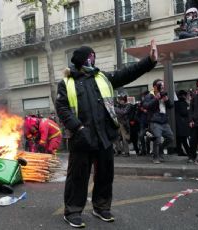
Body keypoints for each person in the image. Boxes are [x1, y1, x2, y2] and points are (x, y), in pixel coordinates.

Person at [56, 40, 158, 228]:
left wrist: (149, 61)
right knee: (78, 177)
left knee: (105, 175)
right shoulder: (66, 83)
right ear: (81, 59)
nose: (93, 60)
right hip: (82, 137)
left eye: (93, 57)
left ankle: (101, 206)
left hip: (104, 136)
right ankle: (72, 211)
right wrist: (78, 128)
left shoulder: (102, 77)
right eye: (90, 57)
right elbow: (62, 108)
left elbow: (127, 74)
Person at [143, 79, 175, 164]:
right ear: (155, 87)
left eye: (163, 85)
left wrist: (167, 100)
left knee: (171, 138)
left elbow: (171, 106)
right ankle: (155, 157)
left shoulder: (164, 94)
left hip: (164, 121)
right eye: (160, 85)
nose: (162, 86)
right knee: (157, 138)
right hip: (154, 120)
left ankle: (160, 150)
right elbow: (146, 106)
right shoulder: (150, 95)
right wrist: (156, 99)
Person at [189, 78, 198, 163]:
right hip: (195, 122)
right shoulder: (194, 95)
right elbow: (191, 109)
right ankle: (192, 157)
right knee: (193, 140)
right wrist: (190, 120)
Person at [175, 90, 191, 157]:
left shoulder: (176, 103)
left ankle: (180, 152)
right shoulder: (183, 103)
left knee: (179, 139)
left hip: (178, 123)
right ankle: (189, 153)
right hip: (183, 123)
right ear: (184, 95)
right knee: (184, 139)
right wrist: (189, 108)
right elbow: (184, 112)